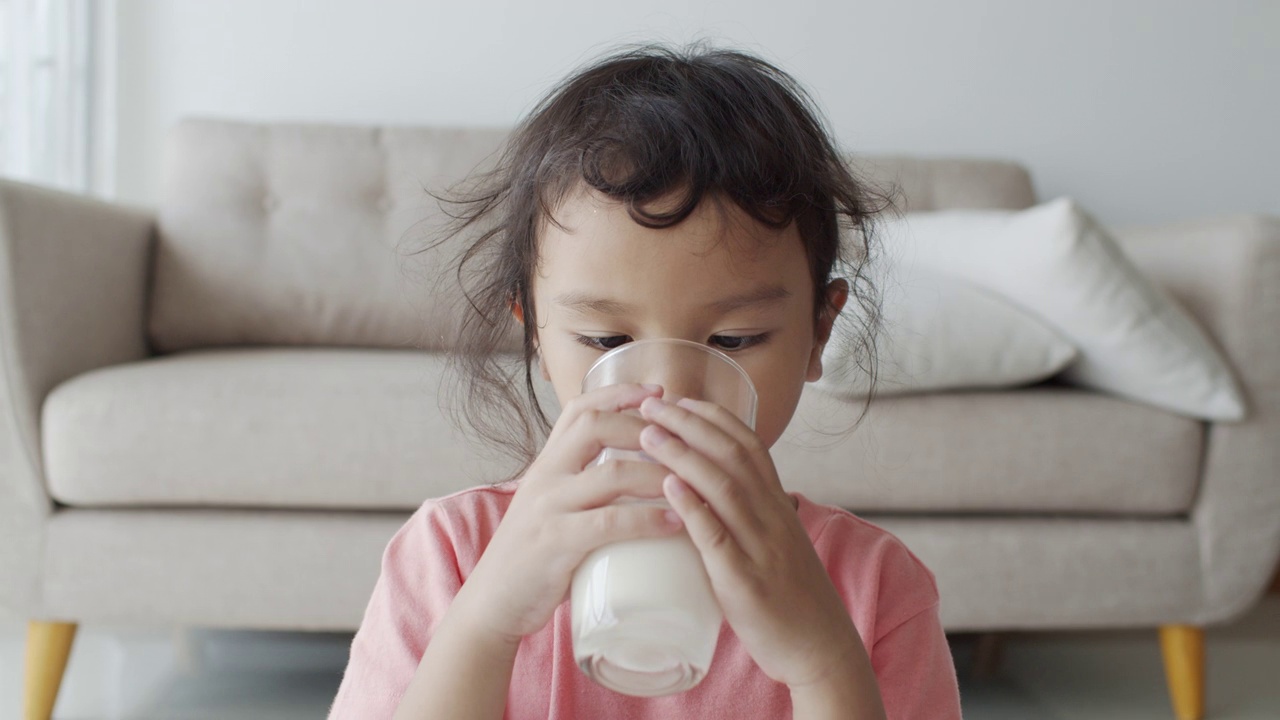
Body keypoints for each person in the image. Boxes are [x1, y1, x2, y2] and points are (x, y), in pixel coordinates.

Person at [329, 42, 962, 719]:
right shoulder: (451, 556)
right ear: (535, 332)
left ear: (818, 333)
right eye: (607, 341)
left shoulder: (873, 589)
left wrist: (822, 660)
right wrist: (485, 622)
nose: (666, 393)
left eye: (734, 340)